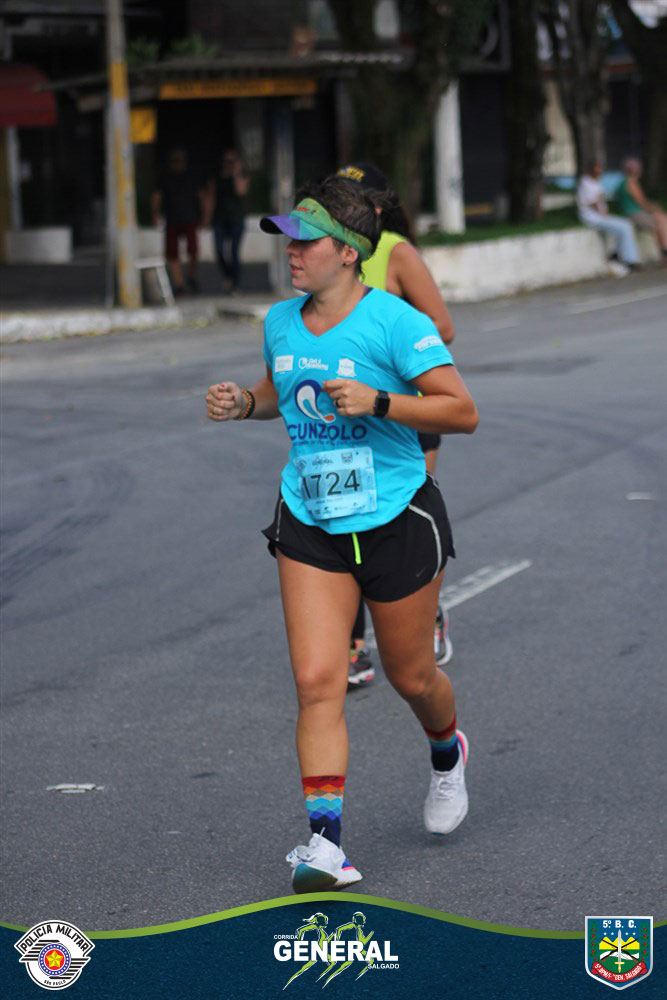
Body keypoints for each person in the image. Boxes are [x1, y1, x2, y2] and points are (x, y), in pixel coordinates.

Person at [205, 176, 479, 894]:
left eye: (307, 242)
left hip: (396, 518)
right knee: (316, 681)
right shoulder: (279, 321)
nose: (291, 253)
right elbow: (280, 391)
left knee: (411, 677)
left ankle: (447, 751)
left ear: (350, 252)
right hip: (311, 518)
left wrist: (381, 401)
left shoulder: (395, 322)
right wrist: (245, 403)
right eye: (288, 241)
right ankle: (325, 846)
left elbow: (461, 411)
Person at [337, 162, 457, 683]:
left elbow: (443, 325)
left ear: (376, 208)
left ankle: (426, 608)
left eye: (349, 200)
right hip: (345, 416)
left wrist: (387, 346)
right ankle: (351, 646)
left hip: (403, 413)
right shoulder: (326, 256)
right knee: (343, 519)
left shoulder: (396, 252)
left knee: (405, 516)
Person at [151, 148, 205, 296]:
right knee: (172, 253)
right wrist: (155, 214)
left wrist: (204, 215)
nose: (177, 164)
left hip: (190, 218)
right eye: (174, 161)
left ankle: (192, 276)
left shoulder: (191, 176)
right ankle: (179, 283)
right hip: (172, 219)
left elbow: (201, 195)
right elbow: (157, 196)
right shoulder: (165, 177)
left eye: (180, 160)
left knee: (193, 251)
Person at [576, 162, 640, 278]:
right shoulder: (586, 182)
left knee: (625, 225)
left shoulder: (596, 182)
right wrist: (604, 214)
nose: (600, 171)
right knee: (624, 226)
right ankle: (630, 261)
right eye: (597, 169)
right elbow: (593, 203)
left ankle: (616, 254)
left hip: (601, 216)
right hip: (593, 217)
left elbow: (600, 198)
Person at [205, 149, 250, 293]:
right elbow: (211, 197)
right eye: (226, 161)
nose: (228, 164)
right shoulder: (216, 177)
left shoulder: (241, 175)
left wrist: (236, 172)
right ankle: (228, 275)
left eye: (232, 161)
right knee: (219, 251)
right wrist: (207, 217)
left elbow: (240, 191)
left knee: (234, 251)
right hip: (219, 219)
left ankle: (235, 284)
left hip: (236, 219)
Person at [615, 157, 667, 263]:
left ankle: (664, 252)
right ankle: (664, 252)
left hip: (631, 213)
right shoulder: (631, 183)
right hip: (634, 214)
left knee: (660, 221)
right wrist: (655, 209)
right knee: (661, 220)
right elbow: (642, 202)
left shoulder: (623, 182)